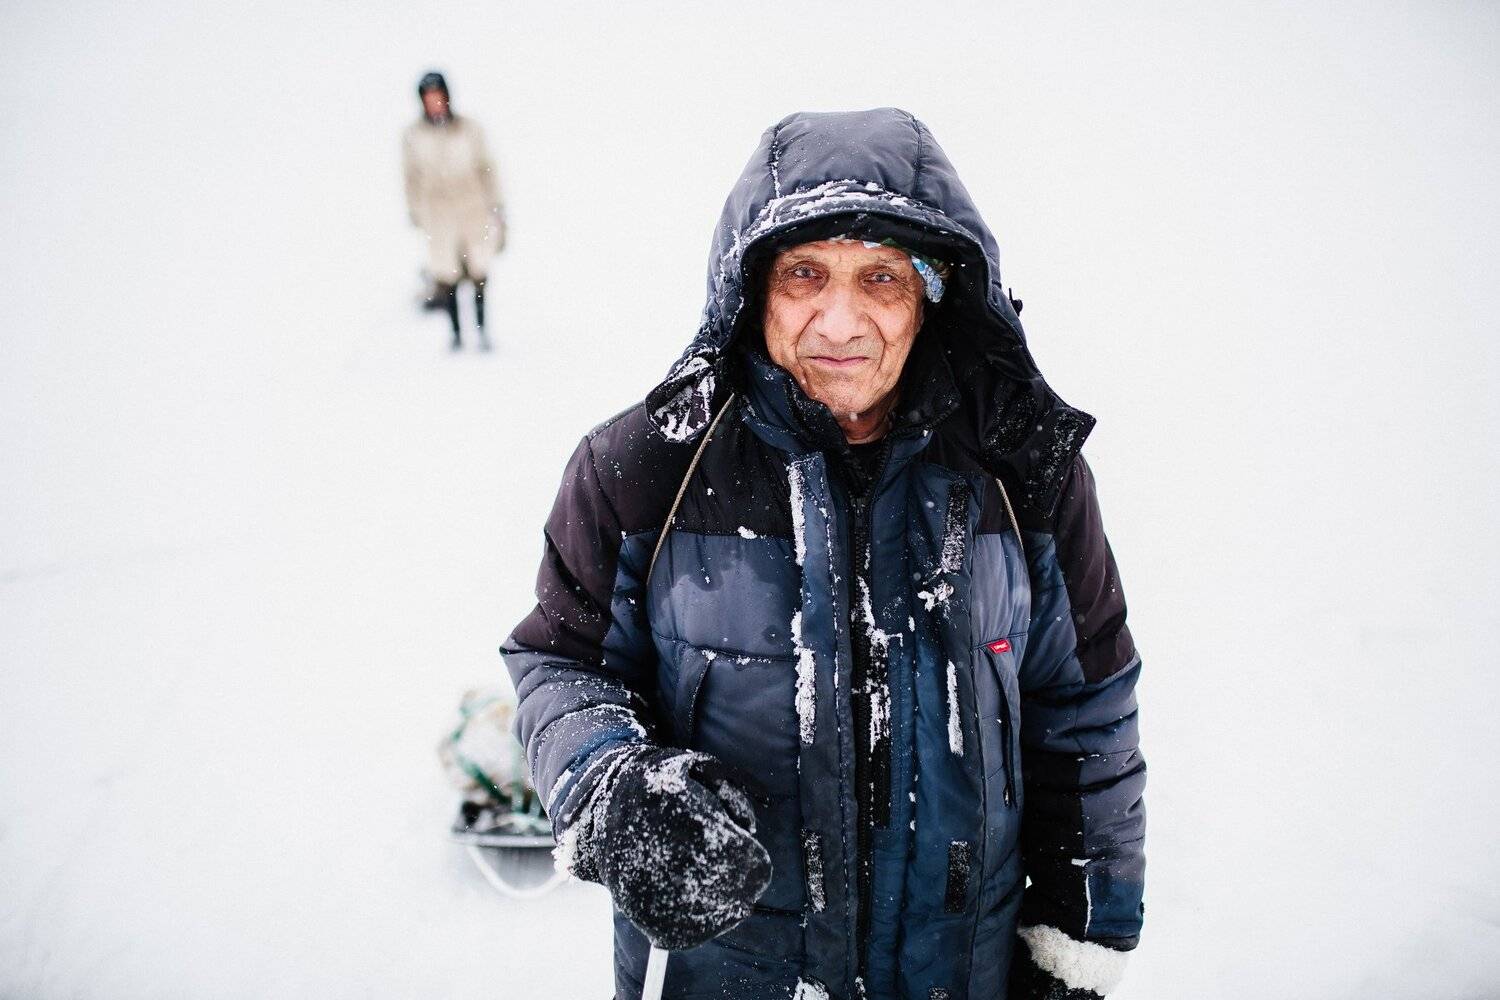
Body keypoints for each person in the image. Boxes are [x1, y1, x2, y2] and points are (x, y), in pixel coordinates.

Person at [502, 108, 1146, 1000]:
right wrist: (613, 790)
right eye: (805, 273)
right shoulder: (642, 467)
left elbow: (1086, 709)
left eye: (880, 278)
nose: (838, 321)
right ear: (751, 289)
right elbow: (559, 661)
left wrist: (1075, 948)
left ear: (932, 296)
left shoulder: (1023, 473)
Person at [402, 71, 506, 350]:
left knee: (478, 271)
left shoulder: (470, 130)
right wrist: (416, 211)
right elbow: (411, 177)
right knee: (446, 274)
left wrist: (497, 207)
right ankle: (457, 334)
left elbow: (487, 169)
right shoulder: (414, 135)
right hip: (438, 216)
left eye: (439, 97)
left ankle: (482, 332)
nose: (435, 103)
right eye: (429, 98)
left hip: (473, 210)